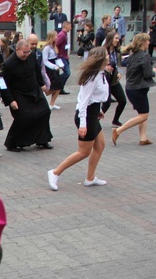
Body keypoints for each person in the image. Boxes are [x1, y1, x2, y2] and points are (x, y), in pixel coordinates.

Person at [48, 47, 110, 191]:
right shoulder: (93, 77)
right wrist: (83, 124)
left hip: (92, 113)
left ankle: (90, 178)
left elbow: (94, 97)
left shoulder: (101, 73)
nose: (109, 56)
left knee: (100, 145)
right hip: (86, 115)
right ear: (101, 58)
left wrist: (99, 110)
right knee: (83, 151)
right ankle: (55, 172)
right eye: (106, 54)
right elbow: (83, 101)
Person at [1, 40, 53, 152]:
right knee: (23, 117)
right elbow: (3, 84)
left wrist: (42, 83)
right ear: (17, 50)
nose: (27, 54)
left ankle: (42, 139)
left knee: (45, 111)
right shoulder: (8, 64)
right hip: (19, 93)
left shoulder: (32, 55)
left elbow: (36, 71)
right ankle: (12, 143)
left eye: (28, 52)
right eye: (24, 52)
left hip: (34, 89)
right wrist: (10, 101)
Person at [112, 33, 156, 146]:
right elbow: (147, 74)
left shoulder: (132, 56)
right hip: (138, 88)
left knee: (142, 113)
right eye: (147, 41)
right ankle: (118, 131)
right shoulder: (145, 56)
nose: (149, 43)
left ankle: (143, 138)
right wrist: (154, 71)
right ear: (143, 42)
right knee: (144, 115)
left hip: (131, 88)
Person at [101, 31, 127, 127]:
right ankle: (95, 121)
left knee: (122, 101)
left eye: (118, 38)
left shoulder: (117, 51)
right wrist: (105, 68)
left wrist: (120, 72)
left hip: (114, 80)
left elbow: (118, 64)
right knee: (106, 104)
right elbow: (96, 65)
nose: (117, 40)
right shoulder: (103, 51)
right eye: (115, 38)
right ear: (110, 39)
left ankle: (115, 120)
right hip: (105, 80)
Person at [42, 31, 65, 110]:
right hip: (50, 69)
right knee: (52, 86)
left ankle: (52, 103)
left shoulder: (53, 46)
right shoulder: (46, 48)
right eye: (55, 36)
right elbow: (45, 61)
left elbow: (56, 57)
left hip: (56, 67)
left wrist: (60, 65)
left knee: (59, 86)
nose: (57, 37)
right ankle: (43, 94)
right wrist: (54, 66)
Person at [56, 21, 72, 90]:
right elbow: (56, 44)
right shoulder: (62, 35)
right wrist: (57, 55)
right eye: (70, 26)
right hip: (61, 56)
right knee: (67, 72)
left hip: (64, 56)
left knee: (67, 72)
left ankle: (60, 88)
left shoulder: (64, 34)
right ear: (66, 26)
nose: (71, 28)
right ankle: (58, 85)